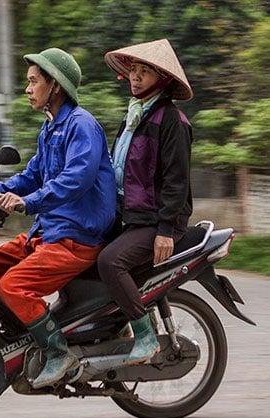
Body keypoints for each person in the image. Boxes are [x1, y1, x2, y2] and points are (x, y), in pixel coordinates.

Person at [0, 48, 116, 389]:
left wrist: (27, 202)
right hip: (48, 233)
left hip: (76, 238)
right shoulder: (52, 128)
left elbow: (74, 180)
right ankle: (13, 339)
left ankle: (57, 352)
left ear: (55, 86)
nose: (27, 89)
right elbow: (34, 173)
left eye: (33, 82)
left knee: (13, 287)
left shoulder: (81, 126)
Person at [97, 38, 194, 365]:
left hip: (157, 221)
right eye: (133, 70)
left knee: (111, 262)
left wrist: (165, 229)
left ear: (162, 78)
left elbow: (176, 181)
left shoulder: (171, 122)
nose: (135, 77)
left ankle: (145, 335)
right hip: (132, 217)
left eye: (144, 72)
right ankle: (113, 331)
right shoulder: (132, 118)